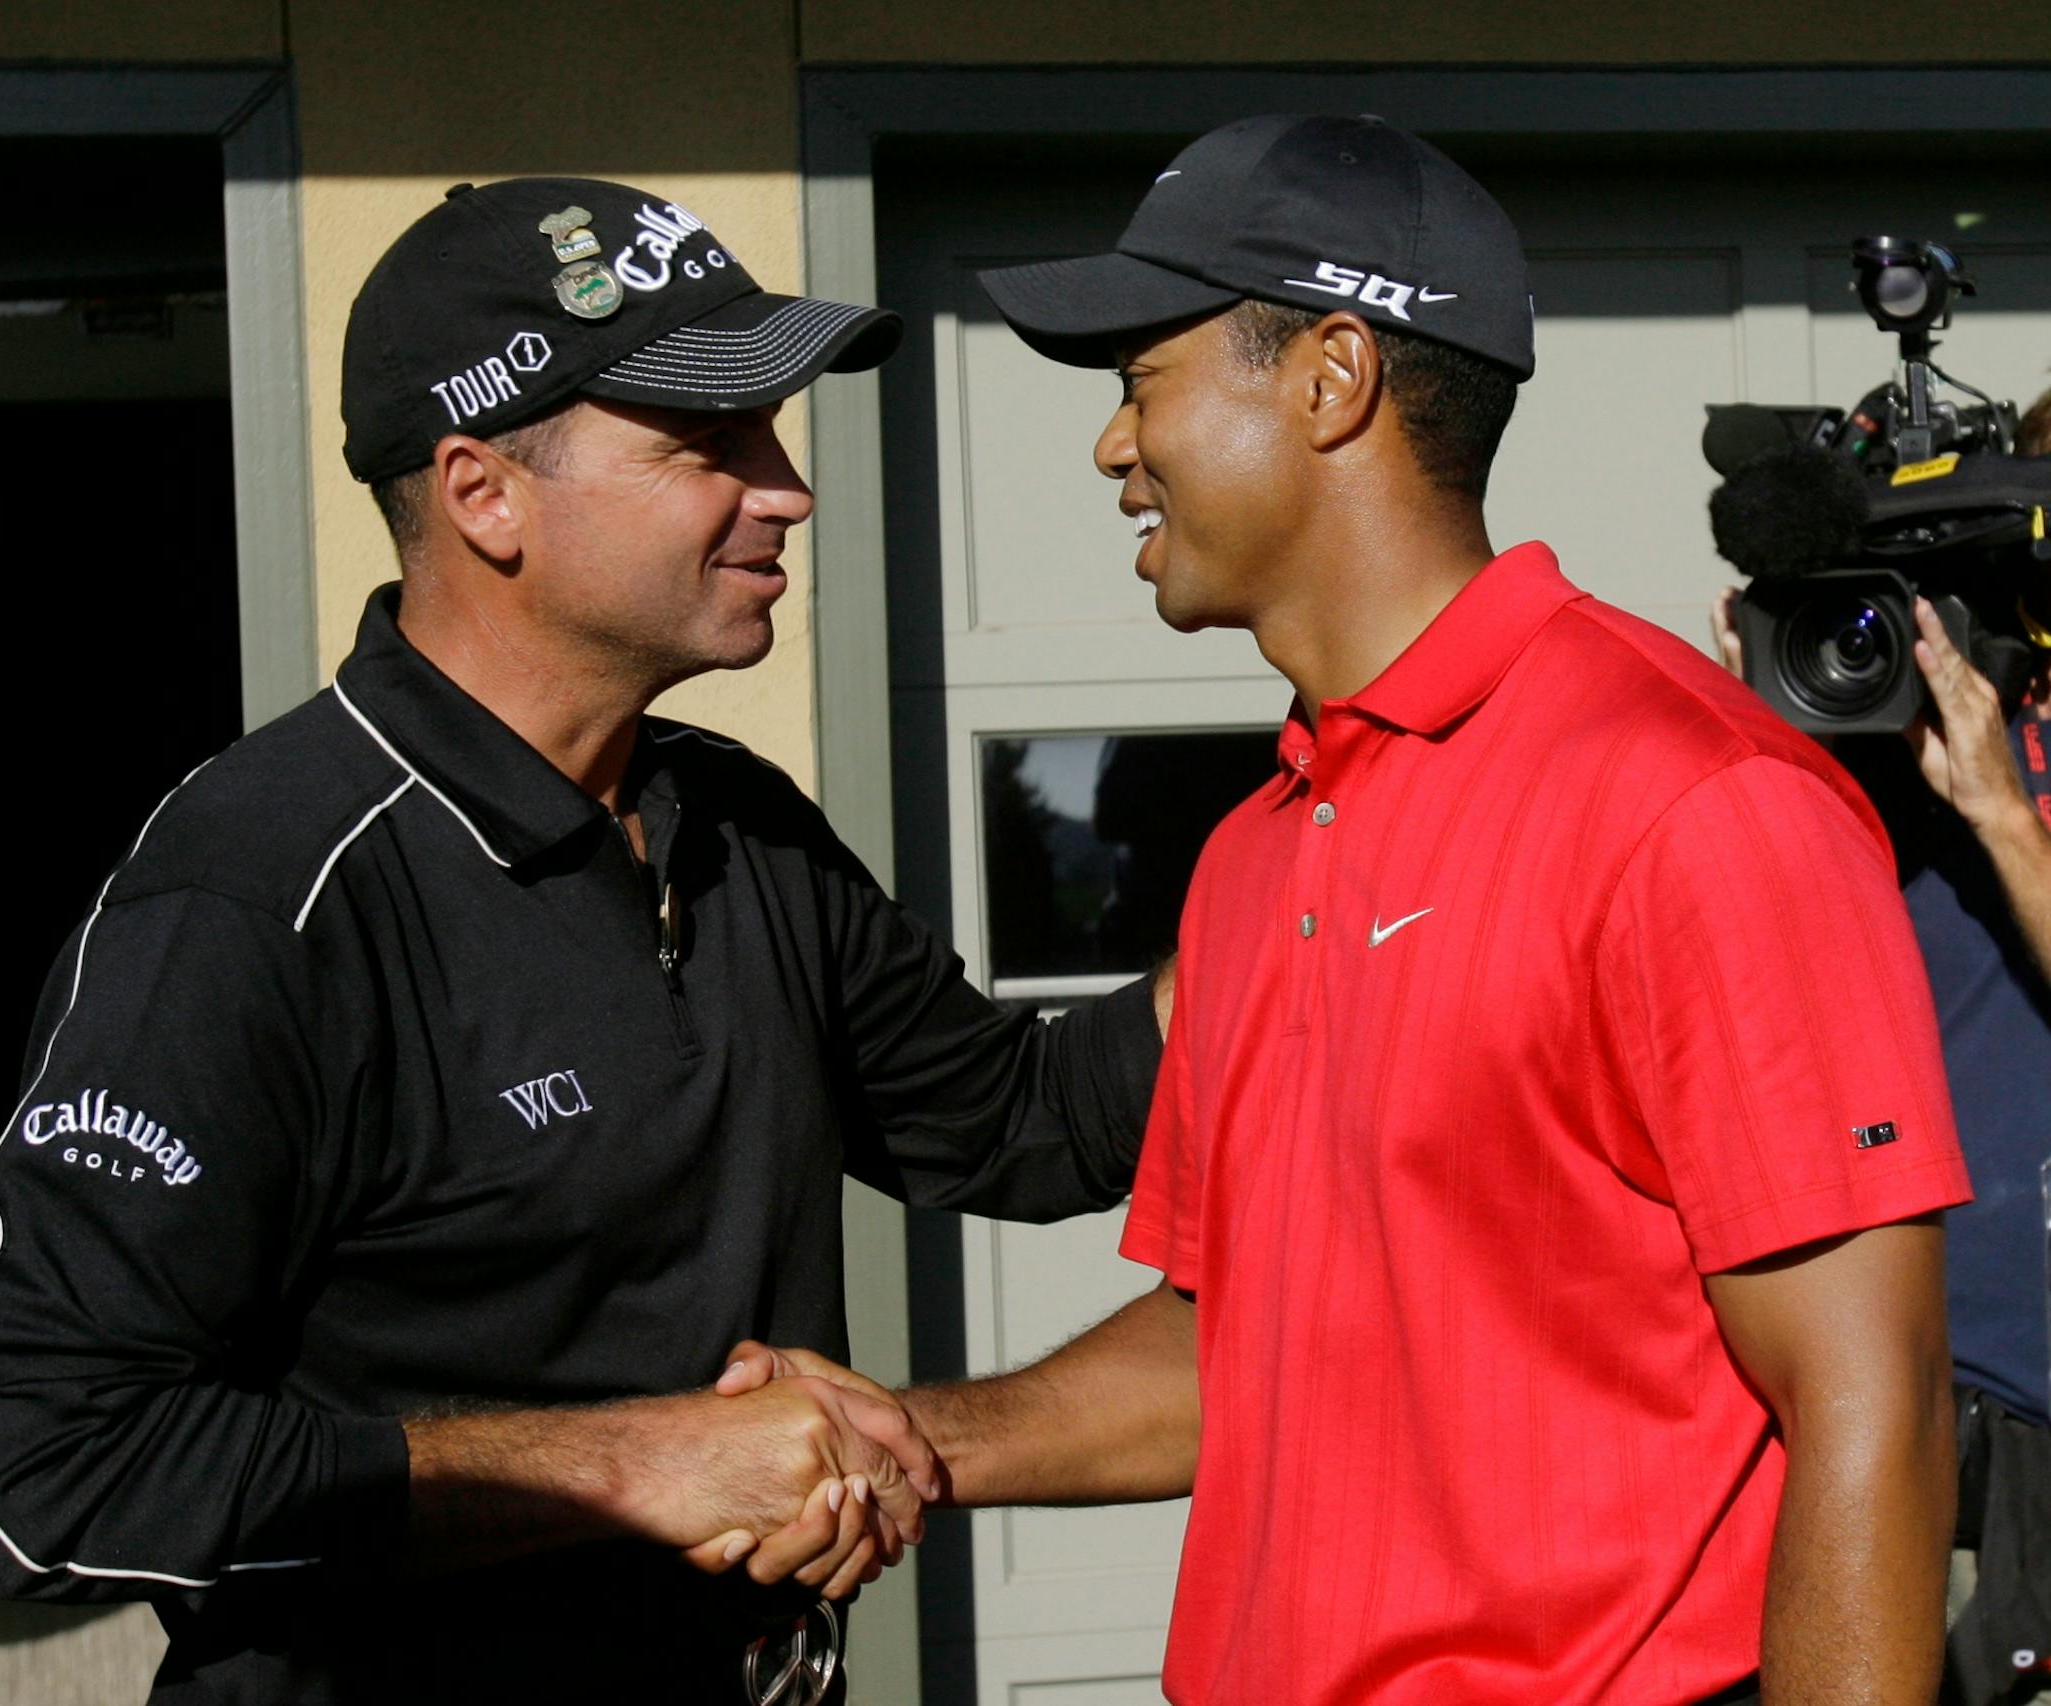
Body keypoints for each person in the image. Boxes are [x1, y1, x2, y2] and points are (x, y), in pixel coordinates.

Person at [722, 115, 1974, 1705]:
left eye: (1140, 379)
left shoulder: (1693, 798)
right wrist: (904, 1441)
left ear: (1331, 376)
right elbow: (1236, 1349)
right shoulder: (1260, 850)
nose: (1113, 446)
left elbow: (1877, 1395)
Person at [0, 177, 1168, 1705]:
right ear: (483, 493)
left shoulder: (737, 823)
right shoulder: (260, 892)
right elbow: (47, 1463)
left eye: (773, 434)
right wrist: (639, 1463)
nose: (786, 488)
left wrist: (1315, 887)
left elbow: (1022, 1123)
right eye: (709, 444)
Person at [1711, 385, 2051, 1706]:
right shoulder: (1860, 748)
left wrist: (2007, 821)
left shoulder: (1996, 773)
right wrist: (1758, 727)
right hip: (1925, 1419)